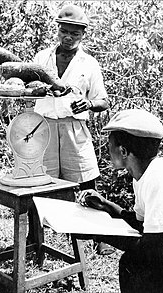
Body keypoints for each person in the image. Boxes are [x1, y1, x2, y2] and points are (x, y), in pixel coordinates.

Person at [78, 108, 163, 292]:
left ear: (123, 151)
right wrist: (105, 205)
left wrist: (97, 234)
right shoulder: (145, 173)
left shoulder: (158, 176)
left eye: (109, 145)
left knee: (140, 264)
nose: (107, 150)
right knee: (136, 262)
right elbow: (141, 224)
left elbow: (151, 250)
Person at [33, 4, 114, 255]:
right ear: (57, 30)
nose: (68, 37)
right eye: (64, 31)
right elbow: (27, 86)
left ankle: (101, 237)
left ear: (83, 35)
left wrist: (88, 103)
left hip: (73, 128)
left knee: (87, 180)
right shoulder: (41, 58)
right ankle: (33, 237)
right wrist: (37, 89)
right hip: (43, 126)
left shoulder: (88, 64)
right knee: (38, 182)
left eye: (74, 33)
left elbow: (104, 101)